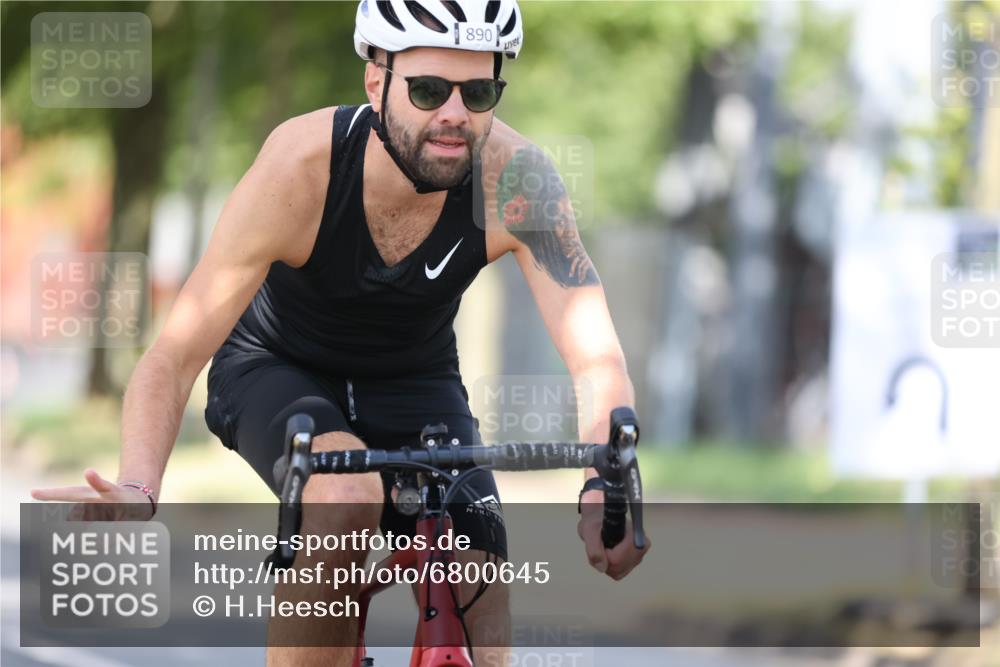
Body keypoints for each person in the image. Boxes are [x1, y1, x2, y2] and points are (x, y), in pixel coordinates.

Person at [32, 1, 650, 664]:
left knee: (481, 579)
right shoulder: (300, 168)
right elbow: (175, 352)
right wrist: (138, 486)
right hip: (276, 367)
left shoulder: (519, 182)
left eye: (478, 92)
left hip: (416, 381)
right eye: (428, 89)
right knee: (344, 498)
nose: (454, 115)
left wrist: (604, 482)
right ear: (375, 81)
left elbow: (595, 355)